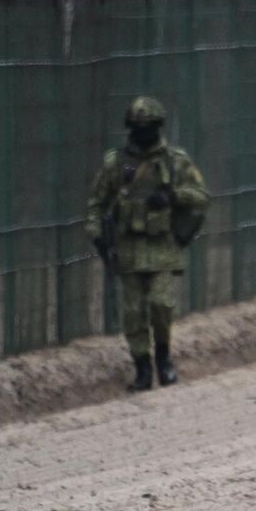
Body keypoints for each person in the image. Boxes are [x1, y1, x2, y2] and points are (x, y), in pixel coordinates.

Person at [86, 96, 209, 390]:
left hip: (162, 246)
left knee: (160, 304)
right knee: (132, 313)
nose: (142, 134)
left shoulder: (174, 161)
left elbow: (202, 197)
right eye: (137, 128)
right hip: (128, 247)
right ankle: (142, 367)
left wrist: (172, 196)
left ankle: (164, 358)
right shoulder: (116, 164)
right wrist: (97, 235)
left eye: (148, 127)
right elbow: (97, 202)